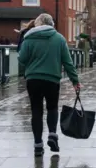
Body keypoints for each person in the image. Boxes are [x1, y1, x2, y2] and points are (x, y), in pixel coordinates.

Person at [18, 13, 81, 157]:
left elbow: (21, 59)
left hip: (33, 79)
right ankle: (52, 135)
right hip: (52, 79)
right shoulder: (59, 39)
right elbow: (68, 62)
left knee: (36, 111)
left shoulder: (29, 38)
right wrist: (75, 81)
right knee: (52, 108)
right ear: (52, 24)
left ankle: (38, 146)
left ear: (38, 24)